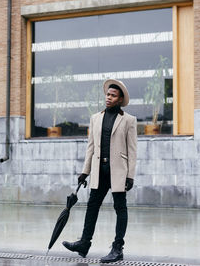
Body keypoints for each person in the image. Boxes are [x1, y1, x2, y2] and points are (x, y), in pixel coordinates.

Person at [62, 79, 137, 263]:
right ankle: (84, 243)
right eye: (107, 94)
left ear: (120, 99)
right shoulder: (95, 118)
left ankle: (117, 248)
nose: (108, 98)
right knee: (92, 206)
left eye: (113, 95)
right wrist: (84, 172)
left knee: (120, 208)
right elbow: (91, 148)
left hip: (118, 171)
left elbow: (132, 150)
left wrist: (130, 175)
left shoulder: (128, 120)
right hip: (99, 171)